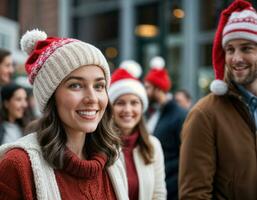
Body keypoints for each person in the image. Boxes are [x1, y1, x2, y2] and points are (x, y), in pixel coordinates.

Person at [0, 29, 128, 200]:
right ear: (50, 96)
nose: (92, 98)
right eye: (76, 85)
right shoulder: (18, 164)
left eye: (99, 86)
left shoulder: (114, 159)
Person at [179, 1, 257, 199]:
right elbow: (194, 195)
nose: (236, 58)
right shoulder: (204, 115)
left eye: (246, 48)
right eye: (230, 50)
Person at [109, 60, 167, 200]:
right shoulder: (100, 145)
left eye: (134, 103)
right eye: (120, 103)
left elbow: (158, 194)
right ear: (110, 109)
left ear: (142, 108)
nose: (127, 110)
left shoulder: (152, 145)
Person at [144, 56, 187, 200]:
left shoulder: (179, 116)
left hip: (172, 190)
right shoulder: (156, 112)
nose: (145, 91)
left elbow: (185, 156)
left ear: (158, 89)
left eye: (148, 87)